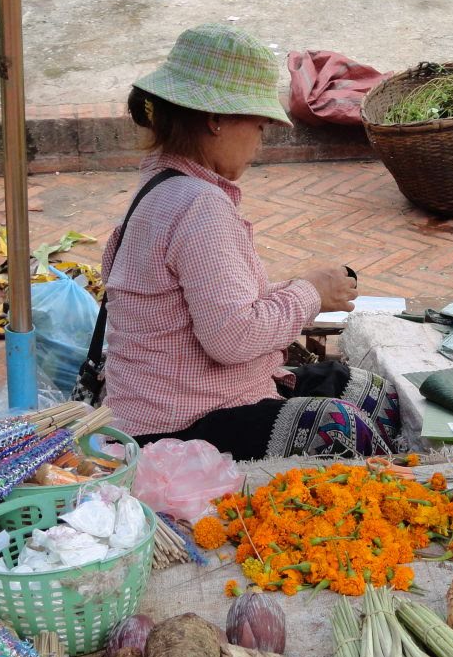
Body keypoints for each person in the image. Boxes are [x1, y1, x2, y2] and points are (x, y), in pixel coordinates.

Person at [101, 23, 403, 460]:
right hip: (174, 426)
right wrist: (310, 293)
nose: (260, 143)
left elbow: (217, 308)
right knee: (339, 426)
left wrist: (303, 291)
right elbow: (232, 337)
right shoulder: (198, 205)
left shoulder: (162, 187)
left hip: (198, 399)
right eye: (260, 127)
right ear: (216, 120)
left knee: (366, 390)